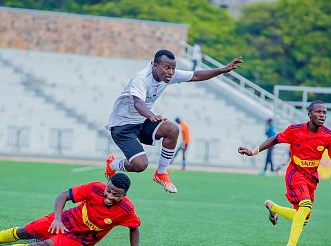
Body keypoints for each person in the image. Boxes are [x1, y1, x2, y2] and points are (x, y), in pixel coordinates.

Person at [104, 49, 243, 194]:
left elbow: (196, 75)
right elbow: (138, 103)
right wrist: (151, 116)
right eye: (167, 68)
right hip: (122, 126)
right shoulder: (141, 78)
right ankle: (112, 165)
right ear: (155, 65)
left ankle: (161, 174)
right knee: (140, 165)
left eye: (173, 68)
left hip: (142, 121)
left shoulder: (169, 75)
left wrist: (222, 70)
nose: (171, 72)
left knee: (173, 129)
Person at [0, 173, 150, 246]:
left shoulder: (126, 209)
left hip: (79, 239)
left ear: (124, 195)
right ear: (106, 185)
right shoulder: (95, 188)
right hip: (65, 220)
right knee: (25, 231)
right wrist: (57, 219)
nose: (109, 196)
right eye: (108, 191)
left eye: (116, 195)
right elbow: (63, 196)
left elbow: (134, 228)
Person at [238, 101, 331, 246]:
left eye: (324, 113)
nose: (322, 115)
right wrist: (253, 152)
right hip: (295, 173)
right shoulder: (295, 130)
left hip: (311, 177)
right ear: (309, 114)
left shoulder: (329, 136)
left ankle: (274, 208)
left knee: (303, 219)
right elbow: (274, 139)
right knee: (305, 204)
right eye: (318, 112)